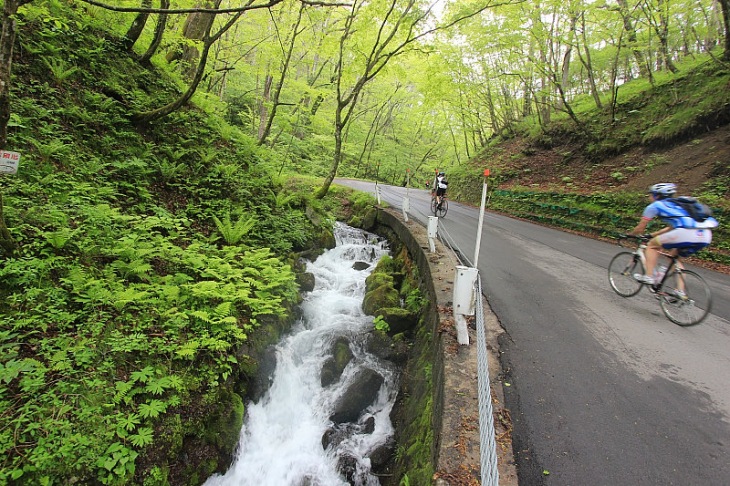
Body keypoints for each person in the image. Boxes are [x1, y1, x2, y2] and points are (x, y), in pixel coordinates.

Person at [629, 182, 718, 284]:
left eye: (650, 194)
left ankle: (649, 277)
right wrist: (651, 235)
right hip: (705, 235)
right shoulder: (678, 205)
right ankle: (680, 293)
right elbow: (670, 228)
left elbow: (641, 227)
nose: (649, 197)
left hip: (685, 232)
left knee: (652, 246)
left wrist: (631, 235)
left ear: (656, 195)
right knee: (674, 257)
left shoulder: (655, 206)